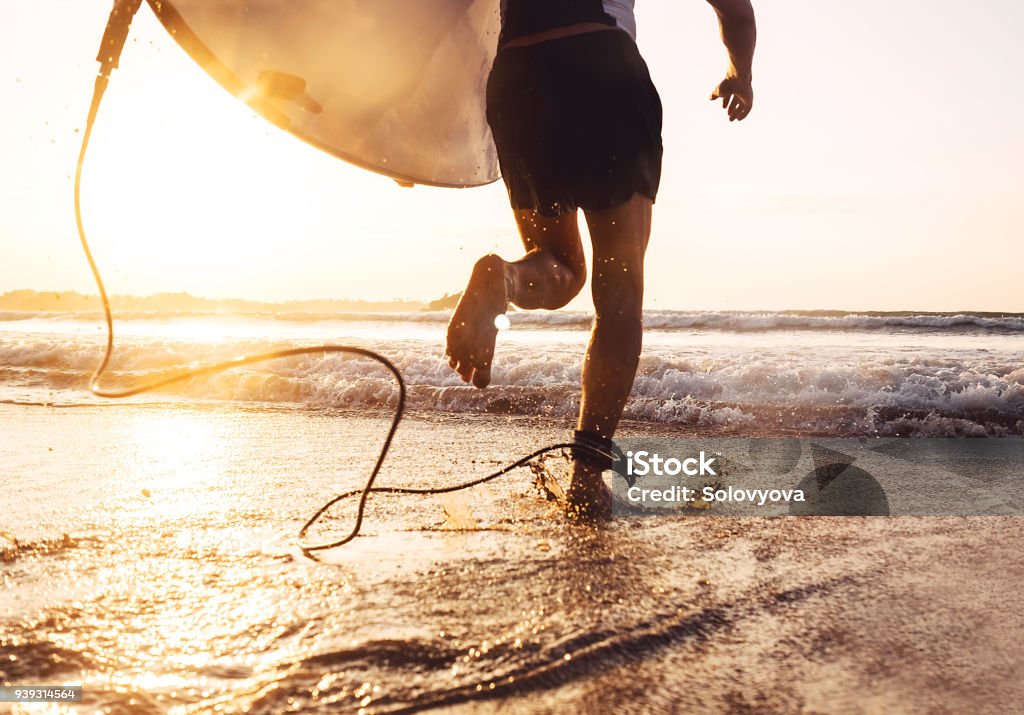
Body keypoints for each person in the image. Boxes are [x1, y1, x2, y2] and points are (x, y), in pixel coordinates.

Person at [446, 0, 757, 520]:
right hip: (604, 68)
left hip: (520, 75)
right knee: (619, 293)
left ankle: (506, 276)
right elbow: (735, 10)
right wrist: (739, 73)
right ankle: (586, 476)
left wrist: (413, 137)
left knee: (557, 265)